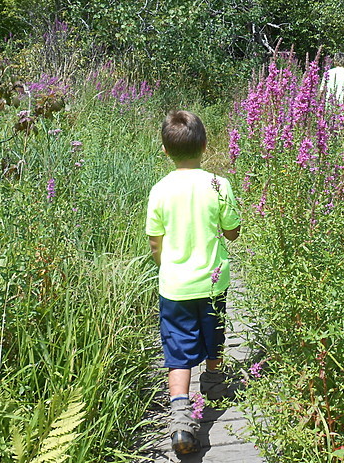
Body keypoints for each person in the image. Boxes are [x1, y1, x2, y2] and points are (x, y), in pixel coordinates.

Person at [146, 110, 242, 456]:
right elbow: (232, 232)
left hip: (175, 285)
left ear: (164, 150)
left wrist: (165, 264)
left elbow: (155, 241)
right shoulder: (218, 184)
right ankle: (214, 383)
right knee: (213, 332)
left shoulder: (159, 190)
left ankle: (181, 416)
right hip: (213, 282)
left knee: (178, 350)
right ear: (205, 145)